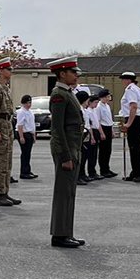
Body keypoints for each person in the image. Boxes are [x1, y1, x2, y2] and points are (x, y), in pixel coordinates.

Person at [47, 58, 85, 248]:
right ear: (62, 73)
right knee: (63, 193)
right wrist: (65, 156)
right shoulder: (59, 95)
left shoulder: (67, 93)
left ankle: (66, 232)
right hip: (66, 150)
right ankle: (60, 235)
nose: (76, 75)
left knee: (69, 192)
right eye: (73, 72)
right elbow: (57, 129)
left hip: (73, 148)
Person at [0, 58, 21, 205]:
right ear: (1, 71)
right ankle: (0, 193)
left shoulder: (6, 89)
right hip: (1, 125)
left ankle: (5, 191)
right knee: (1, 162)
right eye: (8, 69)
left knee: (7, 162)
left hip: (7, 125)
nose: (11, 72)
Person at [119, 71, 140, 182]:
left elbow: (133, 107)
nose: (122, 81)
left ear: (128, 80)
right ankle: (136, 172)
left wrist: (128, 123)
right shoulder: (137, 89)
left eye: (123, 79)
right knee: (134, 147)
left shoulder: (130, 90)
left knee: (135, 148)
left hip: (135, 119)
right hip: (138, 118)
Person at [15, 94, 38, 179]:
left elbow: (32, 125)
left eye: (30, 102)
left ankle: (28, 170)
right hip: (23, 133)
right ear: (23, 103)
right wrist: (21, 137)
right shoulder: (21, 112)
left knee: (28, 153)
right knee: (25, 153)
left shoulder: (30, 112)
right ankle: (24, 172)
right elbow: (20, 125)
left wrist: (34, 136)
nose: (29, 104)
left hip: (29, 133)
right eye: (27, 103)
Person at [95, 88, 117, 177]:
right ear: (102, 97)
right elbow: (98, 121)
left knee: (108, 150)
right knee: (103, 150)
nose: (109, 98)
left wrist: (112, 130)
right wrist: (101, 133)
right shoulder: (99, 107)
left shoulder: (107, 106)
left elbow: (109, 119)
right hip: (102, 128)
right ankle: (103, 170)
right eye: (107, 96)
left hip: (108, 128)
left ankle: (107, 168)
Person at [76, 91, 95, 183]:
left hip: (86, 133)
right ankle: (78, 176)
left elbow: (88, 124)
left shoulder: (85, 109)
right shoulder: (79, 109)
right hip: (82, 134)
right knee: (81, 156)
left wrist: (91, 135)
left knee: (85, 155)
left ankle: (83, 174)